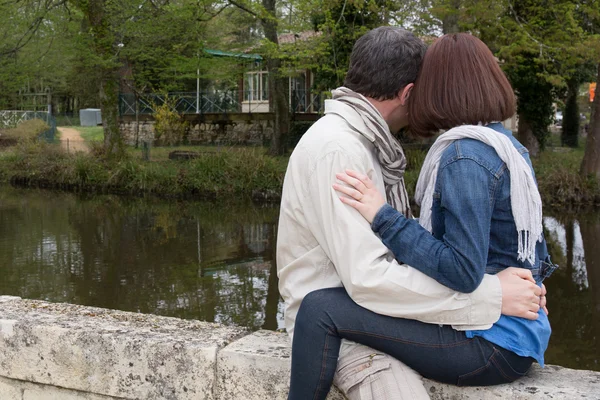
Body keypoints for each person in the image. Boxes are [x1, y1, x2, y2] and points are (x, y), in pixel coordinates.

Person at [277, 27, 546, 400]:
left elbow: (457, 264)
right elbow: (368, 279)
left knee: (324, 310)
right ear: (408, 93)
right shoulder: (340, 149)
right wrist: (497, 294)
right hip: (353, 314)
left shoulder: (452, 153)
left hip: (390, 312)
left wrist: (515, 290)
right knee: (322, 310)